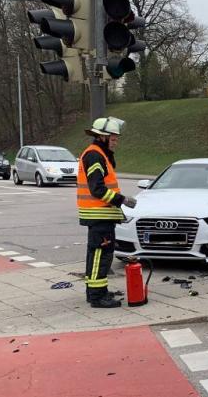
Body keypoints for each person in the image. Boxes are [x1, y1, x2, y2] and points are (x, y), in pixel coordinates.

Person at [77, 117, 137, 308]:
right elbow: (97, 189)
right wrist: (122, 199)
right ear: (102, 137)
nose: (116, 141)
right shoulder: (95, 155)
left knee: (97, 255)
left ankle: (96, 291)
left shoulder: (99, 154)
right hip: (99, 215)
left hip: (100, 216)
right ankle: (97, 296)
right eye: (113, 138)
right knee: (100, 256)